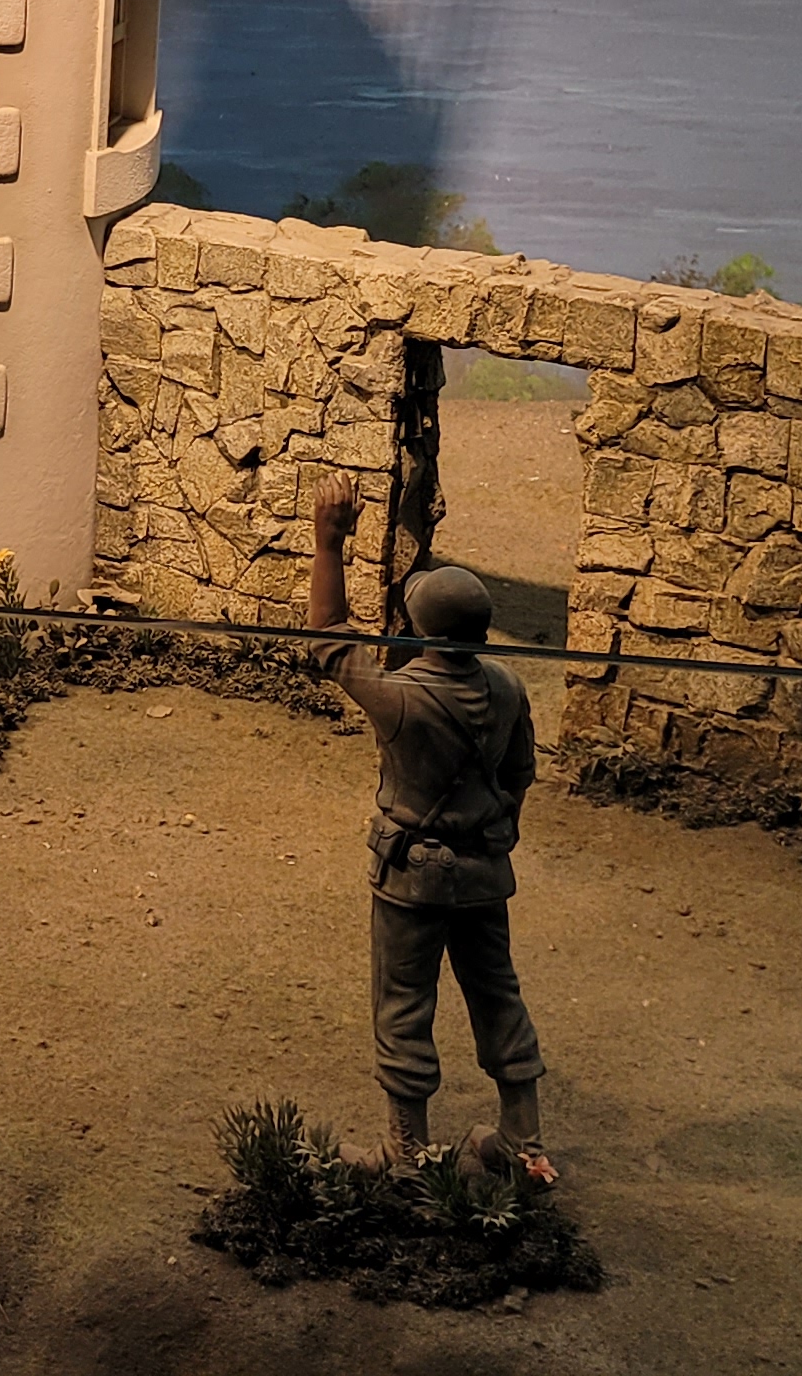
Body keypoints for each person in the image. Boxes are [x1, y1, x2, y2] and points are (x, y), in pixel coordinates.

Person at [306, 478, 550, 1179]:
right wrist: (496, 835)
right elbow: (520, 774)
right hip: (483, 872)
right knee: (497, 995)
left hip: (412, 877)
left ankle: (407, 1151)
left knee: (404, 1004)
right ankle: (524, 1142)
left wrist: (329, 542)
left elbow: (330, 640)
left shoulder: (403, 697)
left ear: (421, 632)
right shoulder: (507, 688)